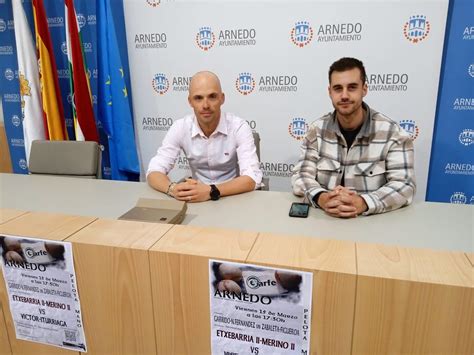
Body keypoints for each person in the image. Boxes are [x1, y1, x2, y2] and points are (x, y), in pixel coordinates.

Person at [291, 57, 415, 217]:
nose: (344, 95)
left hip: (372, 225)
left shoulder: (393, 134)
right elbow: (301, 174)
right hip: (325, 221)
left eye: (352, 87)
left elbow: (405, 185)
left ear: (364, 89)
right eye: (337, 88)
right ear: (330, 92)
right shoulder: (316, 130)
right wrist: (322, 197)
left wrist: (364, 203)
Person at [147, 71, 262, 202]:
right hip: (196, 199)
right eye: (198, 98)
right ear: (190, 101)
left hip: (232, 196)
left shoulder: (239, 127)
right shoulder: (180, 127)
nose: (205, 105)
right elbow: (154, 171)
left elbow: (252, 178)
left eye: (212, 96)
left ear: (222, 98)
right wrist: (172, 188)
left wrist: (211, 190)